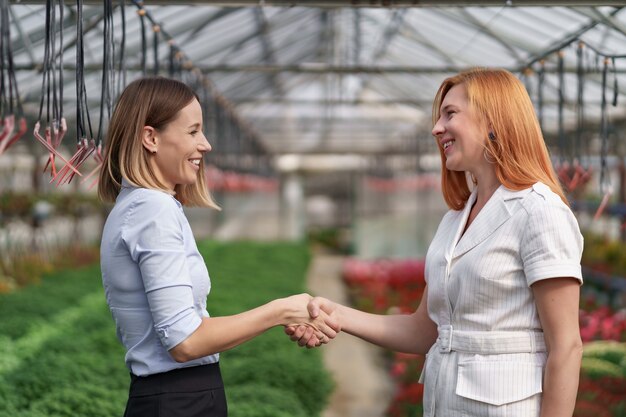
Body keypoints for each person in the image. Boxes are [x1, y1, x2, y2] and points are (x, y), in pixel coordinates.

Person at [287, 68, 584, 417]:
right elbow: (423, 329)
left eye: (450, 113)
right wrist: (335, 313)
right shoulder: (455, 219)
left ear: (494, 120)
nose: (436, 128)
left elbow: (566, 346)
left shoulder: (538, 211)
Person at [98, 76, 339, 417]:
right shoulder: (153, 210)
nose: (206, 144)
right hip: (179, 402)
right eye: (193, 131)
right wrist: (279, 311)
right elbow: (186, 342)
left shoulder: (137, 206)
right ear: (150, 138)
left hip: (174, 397)